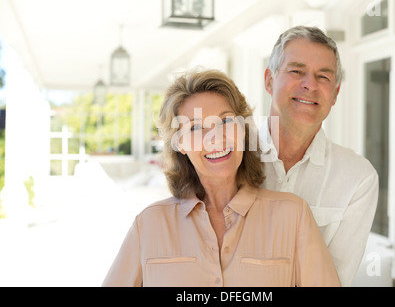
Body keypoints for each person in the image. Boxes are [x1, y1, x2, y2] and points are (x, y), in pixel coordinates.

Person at [102, 69, 341, 287]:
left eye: (225, 121)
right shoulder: (149, 224)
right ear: (180, 143)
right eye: (195, 128)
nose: (215, 138)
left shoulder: (293, 216)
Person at [260, 26, 379, 287]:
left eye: (323, 77)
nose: (310, 85)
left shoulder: (358, 178)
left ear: (335, 94)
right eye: (297, 71)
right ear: (269, 80)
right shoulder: (226, 154)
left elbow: (333, 279)